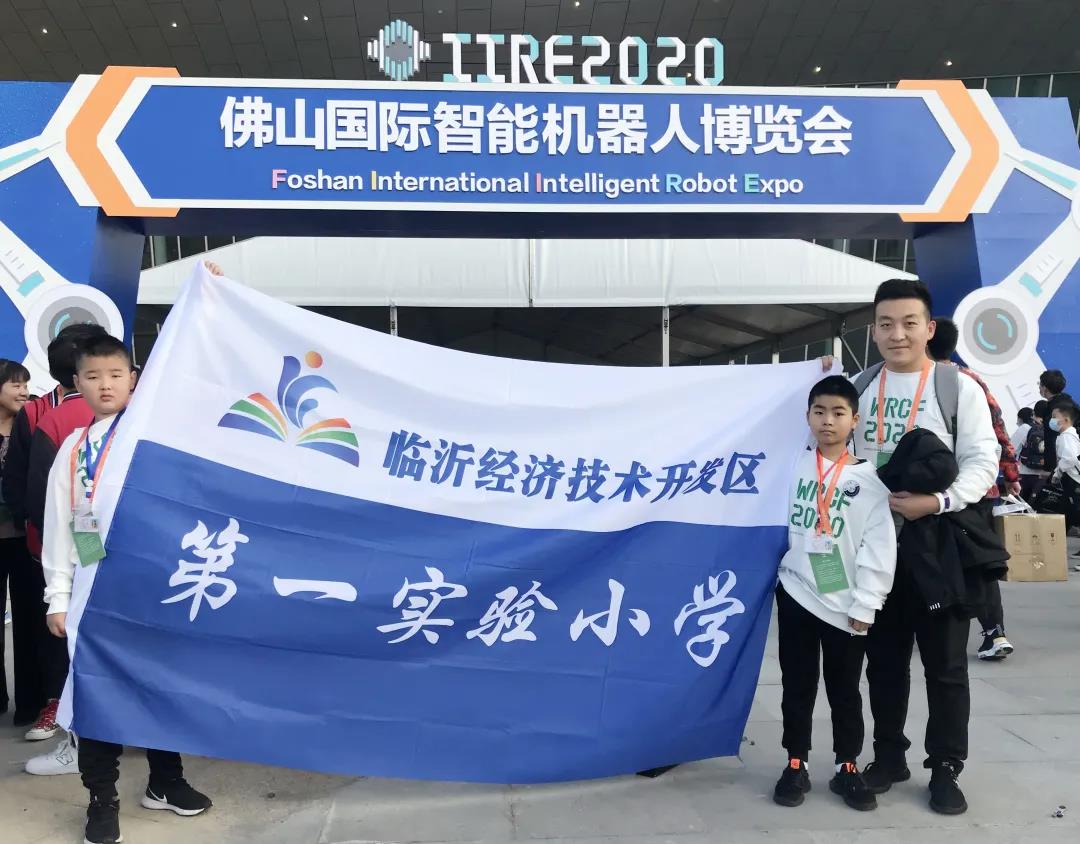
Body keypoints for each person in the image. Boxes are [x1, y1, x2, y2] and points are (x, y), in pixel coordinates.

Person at [825, 279, 999, 815]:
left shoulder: (956, 387)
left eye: (908, 323)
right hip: (874, 549)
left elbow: (982, 462)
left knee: (946, 667)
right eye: (885, 324)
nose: (896, 334)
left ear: (929, 328)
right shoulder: (859, 387)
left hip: (936, 545)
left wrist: (939, 502)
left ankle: (945, 766)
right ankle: (888, 756)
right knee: (883, 662)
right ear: (873, 330)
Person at [42, 334, 212, 844]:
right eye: (93, 376)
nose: (105, 385)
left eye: (115, 375)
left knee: (157, 688)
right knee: (97, 695)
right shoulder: (74, 451)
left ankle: (165, 780)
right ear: (77, 383)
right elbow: (60, 526)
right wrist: (58, 596)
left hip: (152, 590)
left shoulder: (153, 438)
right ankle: (101, 798)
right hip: (95, 595)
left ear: (133, 379)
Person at [773, 376, 896, 812]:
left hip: (846, 606)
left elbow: (879, 548)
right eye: (819, 411)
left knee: (845, 689)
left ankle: (847, 765)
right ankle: (795, 762)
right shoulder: (791, 466)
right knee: (797, 685)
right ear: (807, 416)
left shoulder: (870, 481)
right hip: (796, 593)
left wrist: (868, 603)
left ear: (854, 420)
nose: (828, 420)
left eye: (838, 412)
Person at [1, 324, 106, 734]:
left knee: (56, 623)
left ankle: (62, 708)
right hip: (72, 539)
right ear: (80, 372)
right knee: (59, 623)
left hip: (63, 539)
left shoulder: (60, 415)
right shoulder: (44, 415)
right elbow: (29, 484)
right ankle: (56, 707)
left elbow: (27, 485)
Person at [925, 318, 1016, 662]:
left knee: (941, 558)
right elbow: (999, 428)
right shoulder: (971, 379)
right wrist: (1010, 474)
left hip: (947, 493)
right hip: (981, 491)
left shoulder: (940, 383)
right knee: (978, 562)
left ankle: (941, 621)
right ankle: (994, 631)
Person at [0, 359, 31, 720]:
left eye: (25, 385)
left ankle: (30, 703)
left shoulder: (31, 425)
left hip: (25, 538)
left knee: (29, 621)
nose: (24, 392)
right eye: (16, 385)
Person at [1049, 402, 1080, 533]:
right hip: (1072, 478)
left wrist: (1057, 473)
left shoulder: (1067, 436)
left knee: (1072, 509)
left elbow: (1070, 458)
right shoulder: (1067, 435)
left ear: (1066, 420)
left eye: (1054, 417)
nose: (1051, 420)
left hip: (1073, 479)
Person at [1039, 370, 1072, 475]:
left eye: (1040, 384)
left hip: (1065, 467)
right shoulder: (1069, 403)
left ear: (1044, 388)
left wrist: (1048, 468)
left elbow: (1052, 439)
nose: (1039, 387)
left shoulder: (1055, 410)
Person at [1013, 406, 1049, 502]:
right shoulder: (1051, 429)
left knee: (1018, 505)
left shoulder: (1025, 427)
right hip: (1044, 475)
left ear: (1033, 414)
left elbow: (1011, 449)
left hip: (1024, 474)